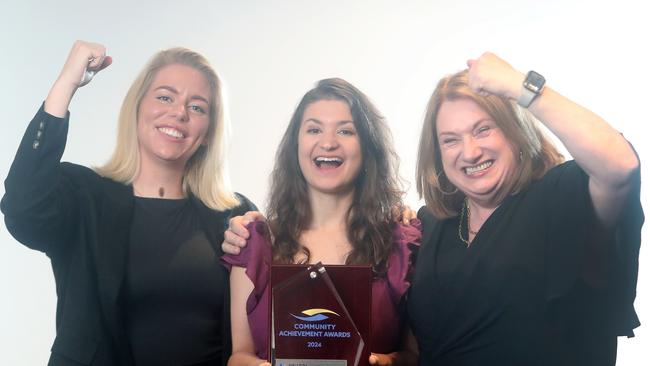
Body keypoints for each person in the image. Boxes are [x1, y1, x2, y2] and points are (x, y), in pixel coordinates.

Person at [1, 41, 256, 366]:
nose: (179, 112)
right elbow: (22, 207)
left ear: (208, 132)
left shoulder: (232, 216)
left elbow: (260, 326)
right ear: (136, 109)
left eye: (197, 107)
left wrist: (264, 241)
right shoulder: (84, 197)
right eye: (165, 97)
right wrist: (66, 83)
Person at [408, 52, 642, 365]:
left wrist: (522, 87)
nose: (470, 152)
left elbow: (620, 166)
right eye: (450, 140)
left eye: (483, 129)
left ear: (515, 132)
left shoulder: (562, 198)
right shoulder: (433, 225)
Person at [221, 78, 420, 366]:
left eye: (345, 130)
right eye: (314, 129)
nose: (328, 142)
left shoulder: (401, 242)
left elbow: (414, 355)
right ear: (296, 146)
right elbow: (238, 355)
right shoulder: (254, 242)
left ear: (367, 148)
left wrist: (384, 362)